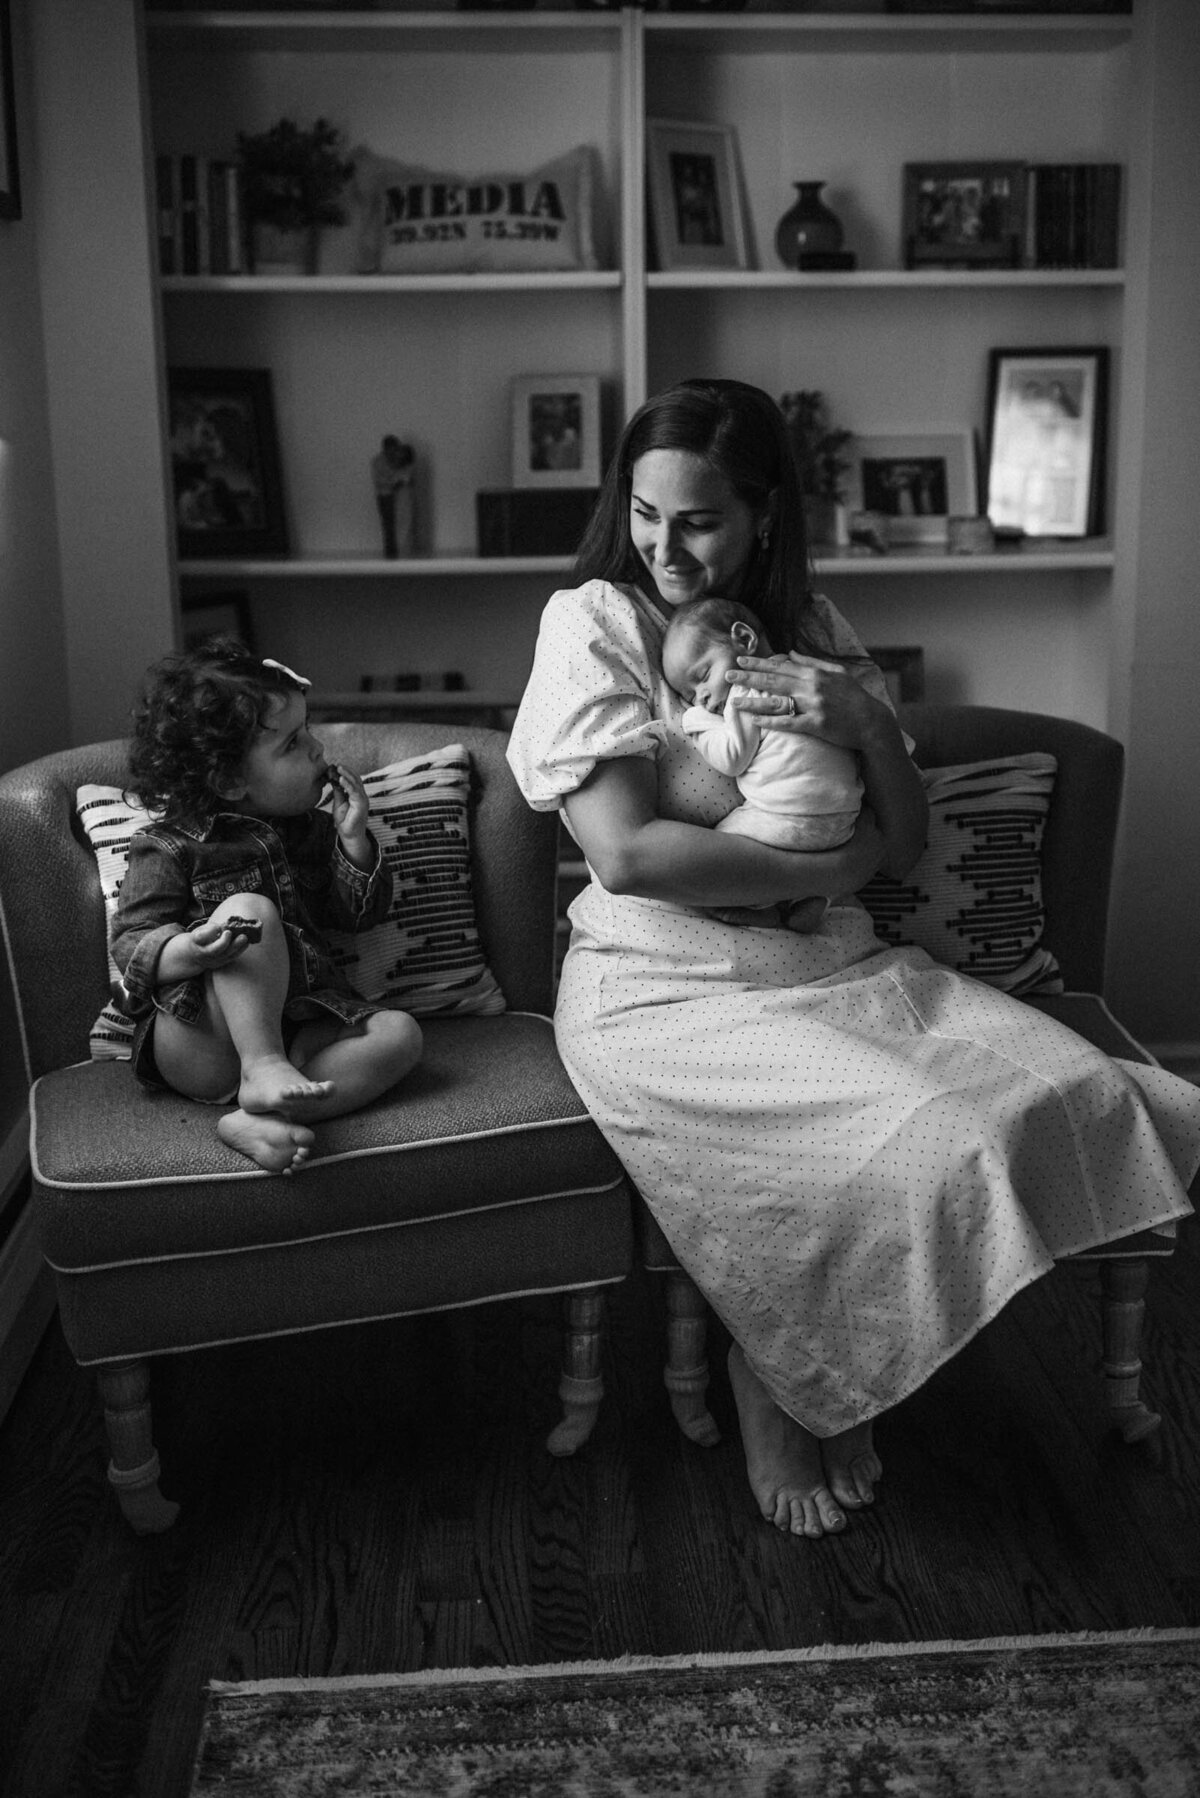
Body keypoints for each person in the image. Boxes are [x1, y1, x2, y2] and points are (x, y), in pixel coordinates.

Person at [506, 376, 1200, 1541]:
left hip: (831, 964)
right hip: (663, 988)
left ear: (767, 513)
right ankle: (781, 1374)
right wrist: (828, 870)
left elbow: (907, 836)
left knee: (1071, 1091)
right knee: (932, 1144)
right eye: (643, 513)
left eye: (698, 519)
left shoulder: (816, 634)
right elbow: (627, 856)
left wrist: (868, 721)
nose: (663, 548)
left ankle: (830, 1362)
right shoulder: (596, 624)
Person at [111, 638, 423, 1176]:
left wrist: (353, 842)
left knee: (400, 1035)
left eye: (309, 731)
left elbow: (356, 917)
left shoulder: (313, 832)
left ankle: (257, 1116)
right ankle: (261, 1070)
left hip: (299, 1027)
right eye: (293, 744)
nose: (318, 750)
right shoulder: (169, 846)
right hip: (199, 1041)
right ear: (230, 781)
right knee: (249, 909)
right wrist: (188, 950)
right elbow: (131, 942)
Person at [660, 593, 862, 930]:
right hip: (844, 822)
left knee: (719, 846)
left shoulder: (747, 690)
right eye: (690, 696)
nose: (702, 698)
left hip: (790, 817)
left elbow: (732, 758)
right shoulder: (808, 675)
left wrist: (696, 722)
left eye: (704, 675)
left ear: (744, 639)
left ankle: (757, 908)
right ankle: (815, 898)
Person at [371, 434, 415, 558]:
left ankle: (400, 552)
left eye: (395, 449)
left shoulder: (400, 459)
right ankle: (390, 553)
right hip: (385, 497)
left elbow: (406, 476)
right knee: (388, 525)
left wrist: (397, 480)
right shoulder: (377, 461)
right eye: (391, 449)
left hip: (397, 497)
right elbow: (380, 481)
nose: (393, 452)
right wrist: (395, 482)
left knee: (400, 525)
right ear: (385, 449)